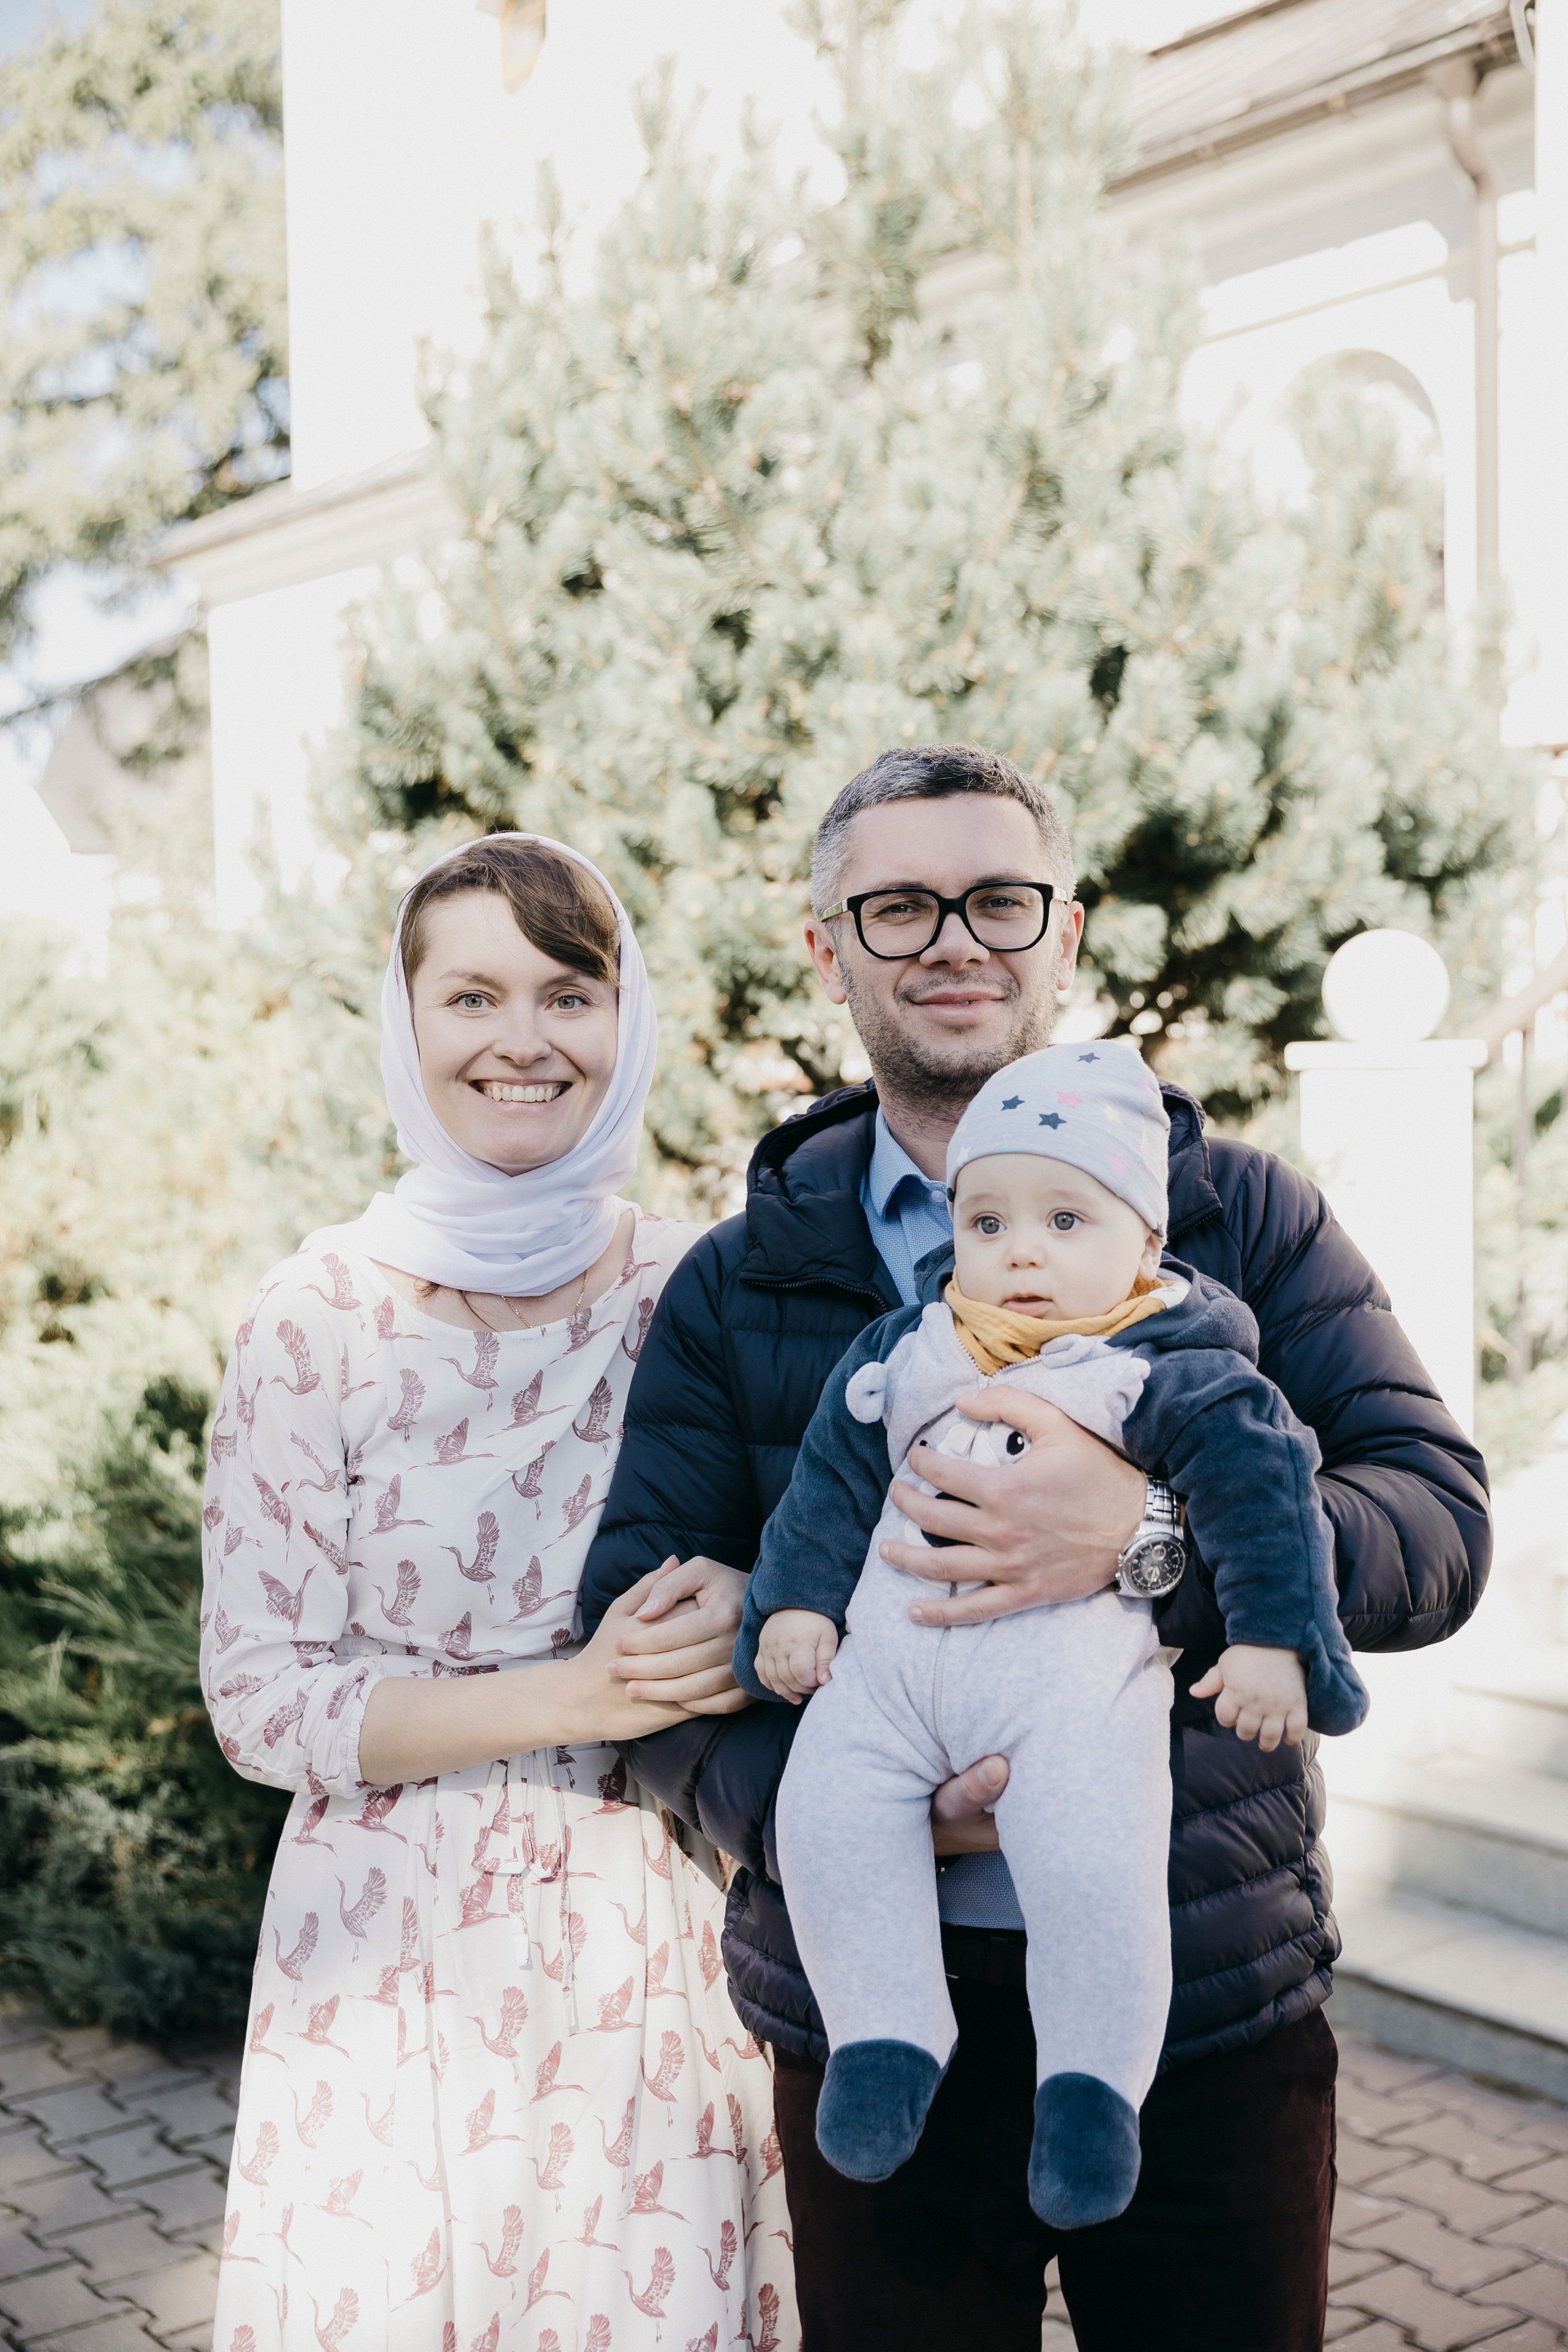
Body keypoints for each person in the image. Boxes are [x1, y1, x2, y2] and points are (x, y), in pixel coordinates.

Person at [580, 743, 1491, 2352]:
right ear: (828, 947)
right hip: (869, 2017)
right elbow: (631, 1632)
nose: (956, 941)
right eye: (900, 905)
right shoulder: (742, 1281)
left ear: (1066, 931)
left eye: (1001, 899)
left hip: (1208, 1999)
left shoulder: (1238, 1221)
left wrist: (1149, 1543)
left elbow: (1434, 1519)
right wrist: (829, 1812)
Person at [202, 834, 796, 2352]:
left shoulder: (701, 1288)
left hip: (657, 1921)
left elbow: (825, 1539)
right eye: (470, 996)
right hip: (394, 1945)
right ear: (404, 1027)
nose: (522, 1039)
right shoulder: (315, 1316)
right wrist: (576, 1696)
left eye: (568, 992)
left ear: (626, 1020)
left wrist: (757, 1598)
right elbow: (261, 1698)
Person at [736, 1041, 1367, 2230]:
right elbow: (823, 1486)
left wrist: (1276, 1642)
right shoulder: (905, 1349)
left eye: (1064, 1217)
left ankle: (1091, 2086)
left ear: (1142, 1243)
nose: (1018, 1249)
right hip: (884, 1684)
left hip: (1067, 1698)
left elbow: (1264, 1500)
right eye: (986, 1221)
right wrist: (794, 1607)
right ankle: (885, 2033)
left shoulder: (1174, 1367)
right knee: (823, 1817)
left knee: (1091, 1863)